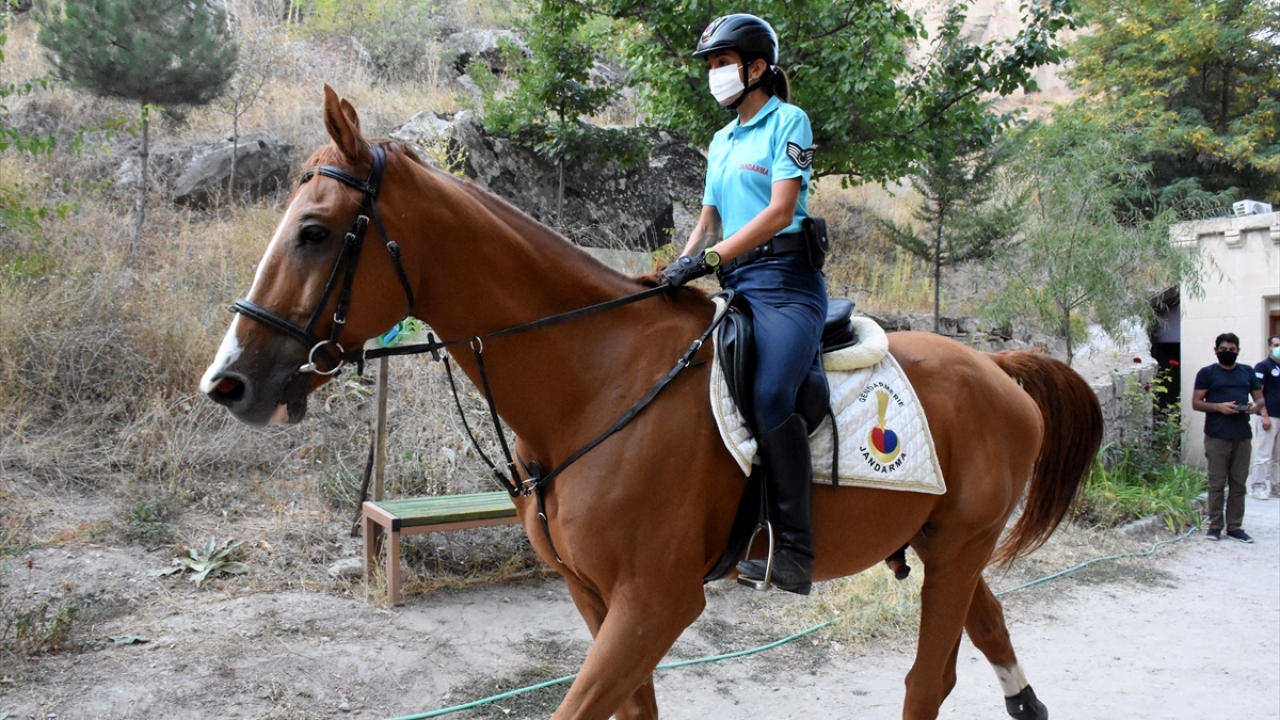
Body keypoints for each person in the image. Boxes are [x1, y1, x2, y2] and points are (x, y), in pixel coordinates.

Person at [659, 13, 825, 594]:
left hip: (787, 284)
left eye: (722, 63)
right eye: (711, 65)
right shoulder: (722, 140)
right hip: (737, 282)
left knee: (771, 392)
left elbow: (781, 211)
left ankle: (796, 553)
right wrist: (674, 269)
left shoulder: (790, 122)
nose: (715, 75)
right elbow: (707, 221)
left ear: (756, 68)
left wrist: (705, 263)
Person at [1191, 333, 1264, 542]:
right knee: (1216, 483)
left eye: (1232, 350)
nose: (1228, 353)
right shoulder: (1207, 373)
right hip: (1217, 435)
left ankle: (1234, 527)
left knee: (1239, 484)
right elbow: (1196, 402)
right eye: (1223, 350)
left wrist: (1253, 407)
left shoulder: (1247, 372)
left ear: (1238, 351)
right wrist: (1219, 407)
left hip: (1242, 435)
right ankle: (1214, 525)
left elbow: (1260, 399)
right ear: (1216, 350)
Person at [1249, 334, 1280, 499]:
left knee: (1278, 456)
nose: (1278, 348)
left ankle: (1276, 487)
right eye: (1275, 345)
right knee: (1264, 454)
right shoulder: (1263, 367)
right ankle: (1258, 486)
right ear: (1269, 347)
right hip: (1268, 417)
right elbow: (1257, 393)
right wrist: (1264, 416)